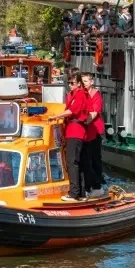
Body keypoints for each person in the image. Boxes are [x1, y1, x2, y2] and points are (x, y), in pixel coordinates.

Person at [48, 72, 88, 201]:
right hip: (75, 131)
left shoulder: (80, 94)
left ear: (78, 84)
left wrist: (55, 116)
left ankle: (74, 193)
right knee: (77, 162)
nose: (70, 85)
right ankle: (81, 193)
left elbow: (72, 111)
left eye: (72, 83)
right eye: (69, 83)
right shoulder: (75, 94)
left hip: (75, 131)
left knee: (72, 162)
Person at [81, 72, 105, 197]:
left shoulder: (96, 95)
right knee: (87, 159)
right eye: (82, 81)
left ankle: (97, 185)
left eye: (85, 81)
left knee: (94, 159)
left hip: (94, 130)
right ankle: (89, 185)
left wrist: (83, 123)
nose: (83, 84)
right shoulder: (82, 94)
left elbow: (94, 113)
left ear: (91, 82)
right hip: (86, 132)